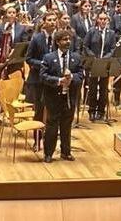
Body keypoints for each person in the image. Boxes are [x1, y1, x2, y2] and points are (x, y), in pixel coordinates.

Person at [39, 29, 82, 162]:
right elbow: (43, 76)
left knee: (66, 125)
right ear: (58, 42)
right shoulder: (49, 58)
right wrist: (58, 81)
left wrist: (72, 77)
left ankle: (65, 152)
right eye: (64, 39)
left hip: (69, 97)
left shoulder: (76, 57)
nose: (68, 41)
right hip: (53, 97)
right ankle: (48, 153)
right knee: (52, 125)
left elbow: (81, 75)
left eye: (69, 39)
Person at [82, 11, 117, 122]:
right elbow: (86, 46)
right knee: (92, 88)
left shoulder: (111, 33)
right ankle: (92, 111)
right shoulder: (91, 32)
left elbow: (112, 48)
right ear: (97, 20)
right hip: (93, 63)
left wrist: (106, 58)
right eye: (100, 19)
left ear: (107, 21)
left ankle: (101, 111)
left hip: (105, 64)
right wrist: (93, 57)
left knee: (103, 88)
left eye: (104, 19)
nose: (102, 21)